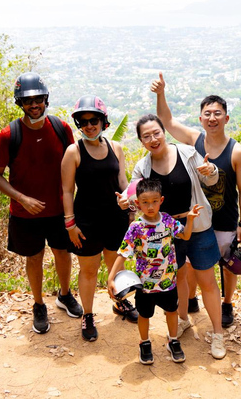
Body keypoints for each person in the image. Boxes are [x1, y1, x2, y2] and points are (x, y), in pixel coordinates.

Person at [119, 114, 226, 359]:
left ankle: (218, 333)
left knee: (207, 279)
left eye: (156, 132)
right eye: (146, 136)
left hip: (195, 224)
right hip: (164, 234)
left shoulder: (187, 153)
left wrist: (211, 170)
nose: (153, 139)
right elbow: (134, 195)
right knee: (178, 277)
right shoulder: (143, 168)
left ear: (163, 131)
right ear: (141, 141)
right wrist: (126, 200)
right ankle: (183, 319)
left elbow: (210, 176)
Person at [151, 72, 241, 327]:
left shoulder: (237, 151)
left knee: (228, 266)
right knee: (196, 265)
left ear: (226, 118)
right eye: (207, 114)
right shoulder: (195, 141)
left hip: (225, 218)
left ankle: (227, 304)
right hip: (196, 219)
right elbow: (167, 121)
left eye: (217, 113)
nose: (212, 118)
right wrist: (161, 94)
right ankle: (193, 299)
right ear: (200, 118)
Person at [0, 72, 82, 335]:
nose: (34, 105)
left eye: (38, 99)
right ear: (20, 103)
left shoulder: (61, 129)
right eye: (28, 101)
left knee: (63, 253)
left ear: (46, 99)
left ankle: (65, 295)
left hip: (59, 209)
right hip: (24, 212)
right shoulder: (9, 135)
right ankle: (39, 304)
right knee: (34, 257)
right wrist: (21, 198)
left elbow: (74, 165)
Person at [61, 95, 137, 342]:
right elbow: (66, 191)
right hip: (87, 221)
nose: (89, 125)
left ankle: (119, 302)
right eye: (83, 122)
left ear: (104, 122)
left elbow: (123, 183)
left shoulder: (116, 148)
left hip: (115, 218)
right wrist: (70, 224)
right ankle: (88, 314)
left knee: (116, 265)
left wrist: (131, 207)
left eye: (94, 120)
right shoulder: (74, 151)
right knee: (89, 271)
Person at [108, 179, 203, 365]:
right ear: (137, 204)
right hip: (145, 285)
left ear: (161, 200)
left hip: (168, 282)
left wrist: (190, 219)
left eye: (154, 201)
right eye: (145, 202)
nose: (150, 206)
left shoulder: (167, 220)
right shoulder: (136, 227)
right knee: (144, 315)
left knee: (171, 311)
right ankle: (144, 342)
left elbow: (185, 235)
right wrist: (111, 278)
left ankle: (173, 340)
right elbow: (123, 253)